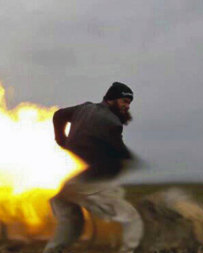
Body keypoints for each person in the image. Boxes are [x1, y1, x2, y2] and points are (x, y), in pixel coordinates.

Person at [43, 82, 143, 253]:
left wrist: (61, 140)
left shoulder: (84, 108)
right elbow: (119, 152)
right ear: (111, 99)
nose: (127, 106)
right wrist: (132, 160)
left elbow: (59, 115)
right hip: (92, 182)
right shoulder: (112, 123)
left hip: (73, 184)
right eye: (124, 101)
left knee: (73, 221)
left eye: (129, 103)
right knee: (131, 218)